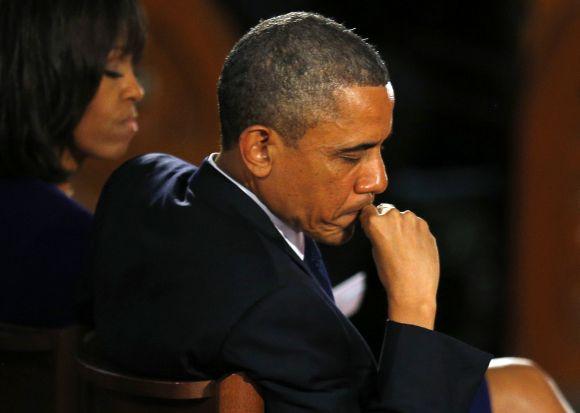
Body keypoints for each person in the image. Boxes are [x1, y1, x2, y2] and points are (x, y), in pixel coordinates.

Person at [87, 12, 492, 412]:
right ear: (260, 148)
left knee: (517, 380)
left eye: (380, 148)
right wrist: (414, 303)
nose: (377, 180)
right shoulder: (281, 311)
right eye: (350, 156)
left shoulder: (139, 182)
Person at [0, 0, 145, 327]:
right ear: (42, 70)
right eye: (113, 68)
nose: (136, 90)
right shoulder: (70, 241)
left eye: (134, 66)